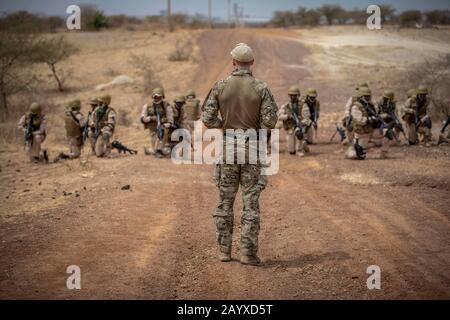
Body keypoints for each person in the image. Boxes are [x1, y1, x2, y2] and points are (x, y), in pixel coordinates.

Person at [202, 43, 278, 266]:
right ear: (252, 63)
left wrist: (224, 126)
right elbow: (270, 121)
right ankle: (248, 253)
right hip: (252, 150)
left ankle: (224, 251)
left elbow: (207, 118)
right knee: (250, 203)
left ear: (233, 62)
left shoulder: (220, 86)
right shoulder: (261, 88)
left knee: (225, 202)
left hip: (228, 150)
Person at [345, 87, 388, 160]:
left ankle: (383, 152)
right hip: (362, 133)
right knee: (357, 156)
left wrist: (380, 118)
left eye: (369, 96)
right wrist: (371, 119)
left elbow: (376, 115)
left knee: (388, 132)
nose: (368, 97)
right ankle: (351, 150)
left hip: (372, 130)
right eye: (366, 96)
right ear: (361, 97)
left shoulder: (370, 105)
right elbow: (360, 121)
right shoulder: (356, 107)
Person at [278, 86, 311, 156]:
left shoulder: (303, 105)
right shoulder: (286, 106)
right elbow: (279, 116)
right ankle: (304, 144)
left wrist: (302, 123)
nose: (293, 97)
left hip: (300, 125)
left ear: (298, 95)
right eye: (291, 95)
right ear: (289, 96)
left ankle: (299, 149)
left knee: (299, 134)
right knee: (291, 151)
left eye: (295, 95)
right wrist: (287, 116)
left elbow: (307, 117)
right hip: (290, 127)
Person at [140, 87, 174, 158]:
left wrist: (166, 124)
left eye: (159, 97)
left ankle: (159, 150)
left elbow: (170, 119)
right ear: (153, 96)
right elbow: (142, 118)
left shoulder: (166, 106)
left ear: (162, 97)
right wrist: (151, 119)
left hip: (163, 128)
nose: (157, 98)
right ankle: (152, 150)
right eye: (155, 97)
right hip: (152, 129)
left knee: (163, 135)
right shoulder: (147, 106)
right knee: (155, 145)